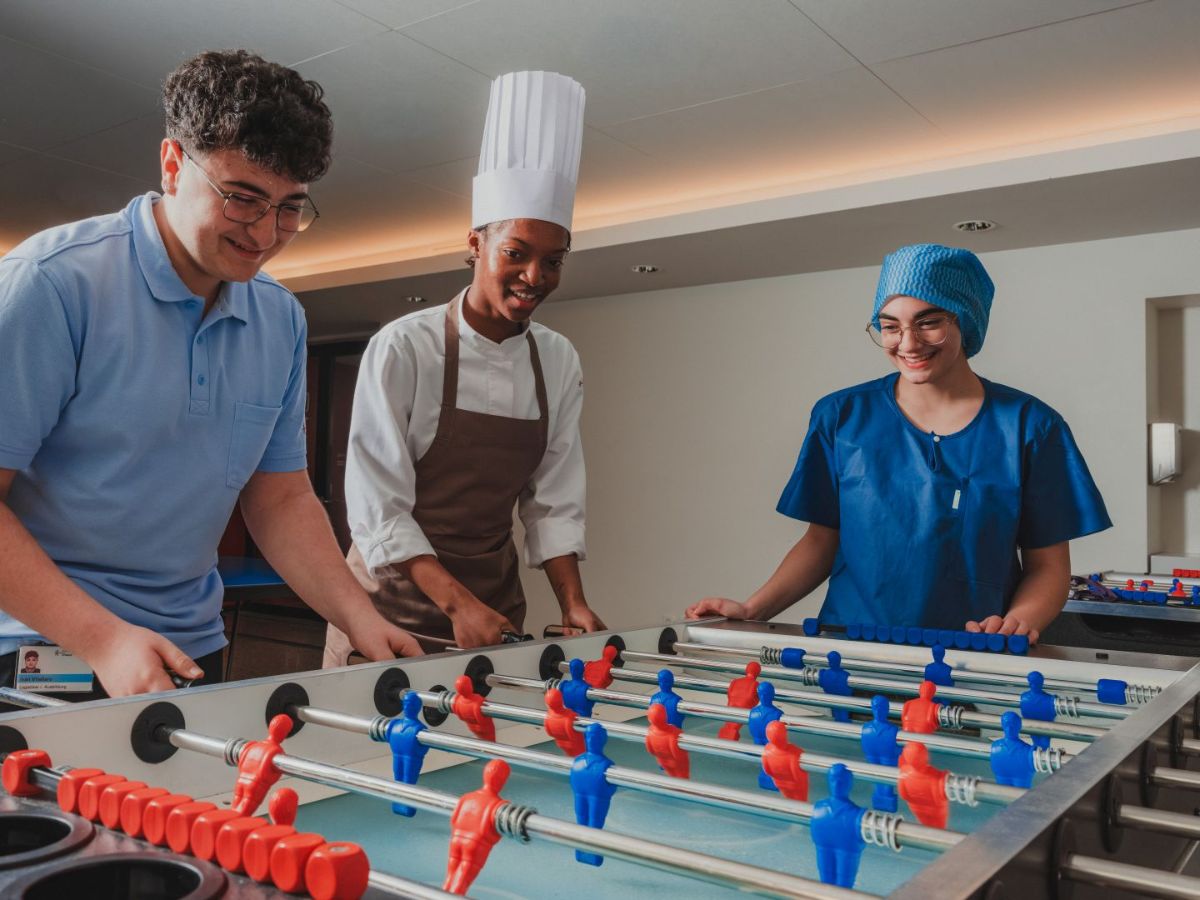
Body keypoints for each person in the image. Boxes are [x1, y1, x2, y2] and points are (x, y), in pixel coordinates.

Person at [0, 50, 419, 698]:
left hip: (192, 650)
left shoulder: (280, 319)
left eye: (289, 208)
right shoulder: (52, 286)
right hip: (43, 653)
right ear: (173, 165)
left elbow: (278, 497)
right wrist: (104, 639)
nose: (266, 233)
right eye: (243, 198)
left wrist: (359, 615)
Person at [687, 244, 1111, 644]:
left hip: (973, 655)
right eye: (890, 326)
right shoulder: (841, 417)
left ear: (966, 319)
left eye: (929, 322)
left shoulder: (1030, 427)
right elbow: (821, 541)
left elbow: (1048, 566)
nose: (908, 344)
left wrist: (1018, 624)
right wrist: (752, 608)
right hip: (852, 649)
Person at [326, 70, 605, 660]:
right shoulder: (404, 348)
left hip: (493, 610)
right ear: (475, 244)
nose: (535, 277)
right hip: (385, 613)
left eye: (553, 261)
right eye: (515, 253)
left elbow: (553, 497)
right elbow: (376, 506)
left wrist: (573, 603)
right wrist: (456, 606)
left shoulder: (557, 360)